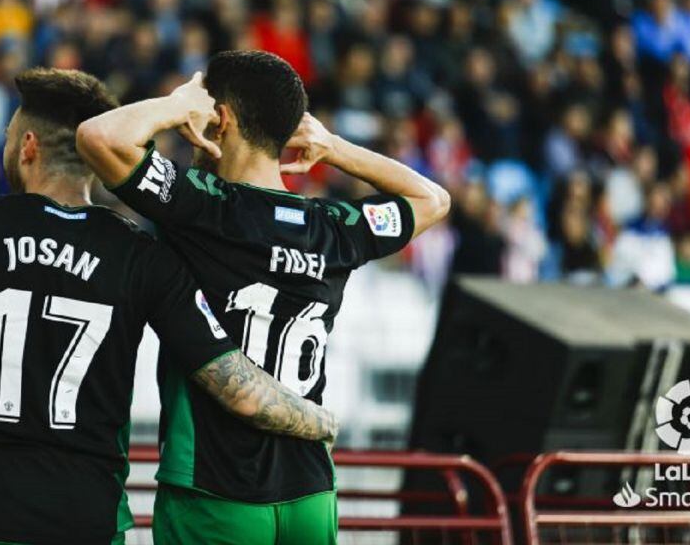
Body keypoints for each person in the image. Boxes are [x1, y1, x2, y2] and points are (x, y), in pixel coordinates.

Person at [0, 66, 337, 545]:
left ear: (27, 147)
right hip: (91, 522)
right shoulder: (144, 256)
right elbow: (235, 385)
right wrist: (318, 419)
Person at [77, 50, 450, 545]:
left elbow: (99, 137)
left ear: (222, 118)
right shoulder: (332, 227)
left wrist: (177, 104)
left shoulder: (202, 208)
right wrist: (334, 146)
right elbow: (433, 199)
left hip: (216, 488)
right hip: (311, 492)